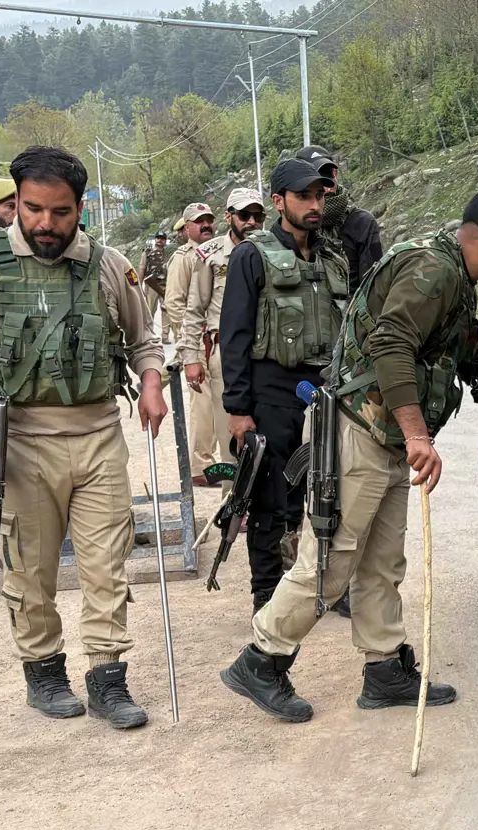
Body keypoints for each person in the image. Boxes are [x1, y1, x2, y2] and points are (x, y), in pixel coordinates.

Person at [220, 182, 478, 723]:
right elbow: (390, 343)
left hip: (384, 437)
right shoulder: (434, 270)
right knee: (329, 565)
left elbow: (472, 362)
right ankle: (261, 659)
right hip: (360, 430)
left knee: (382, 565)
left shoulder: (454, 277)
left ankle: (383, 670)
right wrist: (418, 436)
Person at [0, 146, 167, 728]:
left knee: (107, 564)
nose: (43, 224)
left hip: (98, 435)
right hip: (22, 441)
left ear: (79, 207)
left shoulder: (109, 264)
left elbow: (144, 340)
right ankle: (43, 673)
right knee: (30, 569)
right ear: (17, 203)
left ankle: (108, 679)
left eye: (59, 212)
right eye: (31, 209)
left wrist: (154, 384)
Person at [219, 160, 350, 616]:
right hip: (271, 391)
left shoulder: (333, 257)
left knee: (332, 491)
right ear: (279, 202)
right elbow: (233, 336)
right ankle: (266, 594)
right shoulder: (251, 256)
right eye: (304, 197)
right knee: (271, 499)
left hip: (326, 392)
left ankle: (329, 584)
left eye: (320, 197)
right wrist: (238, 409)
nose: (315, 205)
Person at [179, 188, 264, 487]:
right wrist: (191, 357)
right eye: (244, 215)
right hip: (223, 352)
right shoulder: (210, 255)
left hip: (265, 351)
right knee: (230, 431)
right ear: (229, 217)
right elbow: (194, 310)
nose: (251, 222)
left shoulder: (274, 249)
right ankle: (232, 499)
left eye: (258, 216)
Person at [162, 202, 220, 485]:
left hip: (219, 340)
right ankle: (201, 468)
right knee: (203, 405)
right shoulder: (183, 259)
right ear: (187, 229)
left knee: (220, 404)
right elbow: (174, 303)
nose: (206, 225)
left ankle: (213, 463)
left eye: (209, 220)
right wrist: (190, 344)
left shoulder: (218, 252)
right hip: (199, 342)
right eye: (200, 222)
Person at [296, 145, 382, 293]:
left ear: (335, 173)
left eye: (328, 175)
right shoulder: (293, 224)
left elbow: (373, 289)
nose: (327, 189)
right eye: (317, 179)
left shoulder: (362, 223)